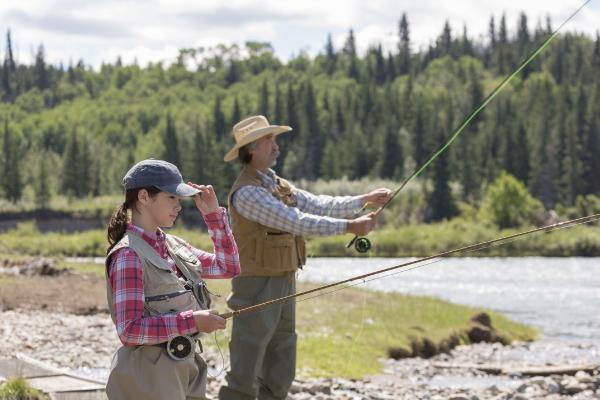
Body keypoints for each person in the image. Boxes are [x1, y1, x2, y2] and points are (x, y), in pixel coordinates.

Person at [219, 116, 391, 400]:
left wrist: (363, 199)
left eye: (275, 140)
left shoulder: (278, 184)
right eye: (268, 141)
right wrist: (350, 227)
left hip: (284, 278)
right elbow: (295, 221)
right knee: (247, 364)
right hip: (255, 285)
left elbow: (318, 203)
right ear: (251, 150)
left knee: (282, 358)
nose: (276, 146)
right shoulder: (247, 192)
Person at [105, 159, 240, 400]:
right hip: (149, 378)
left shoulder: (173, 246)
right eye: (172, 198)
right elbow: (129, 331)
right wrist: (193, 322)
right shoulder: (128, 255)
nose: (179, 206)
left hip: (184, 368)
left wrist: (213, 216)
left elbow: (228, 267)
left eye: (179, 199)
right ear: (144, 197)